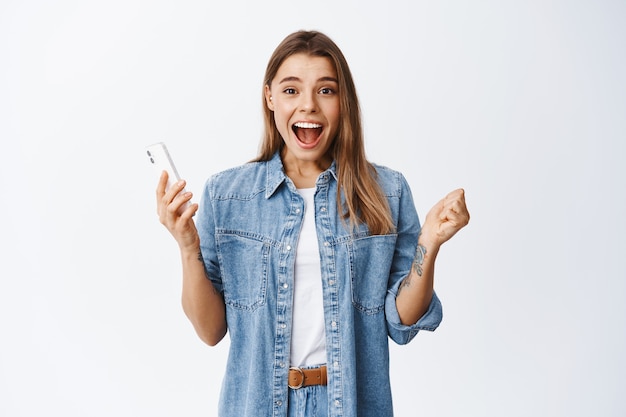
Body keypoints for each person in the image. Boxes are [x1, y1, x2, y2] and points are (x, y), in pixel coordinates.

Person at [156, 30, 469, 417]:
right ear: (269, 97)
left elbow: (401, 323)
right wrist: (187, 247)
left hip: (350, 404)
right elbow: (210, 330)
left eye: (326, 90)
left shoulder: (386, 191)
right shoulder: (227, 195)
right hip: (256, 405)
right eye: (291, 91)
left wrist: (429, 244)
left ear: (344, 102)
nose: (308, 105)